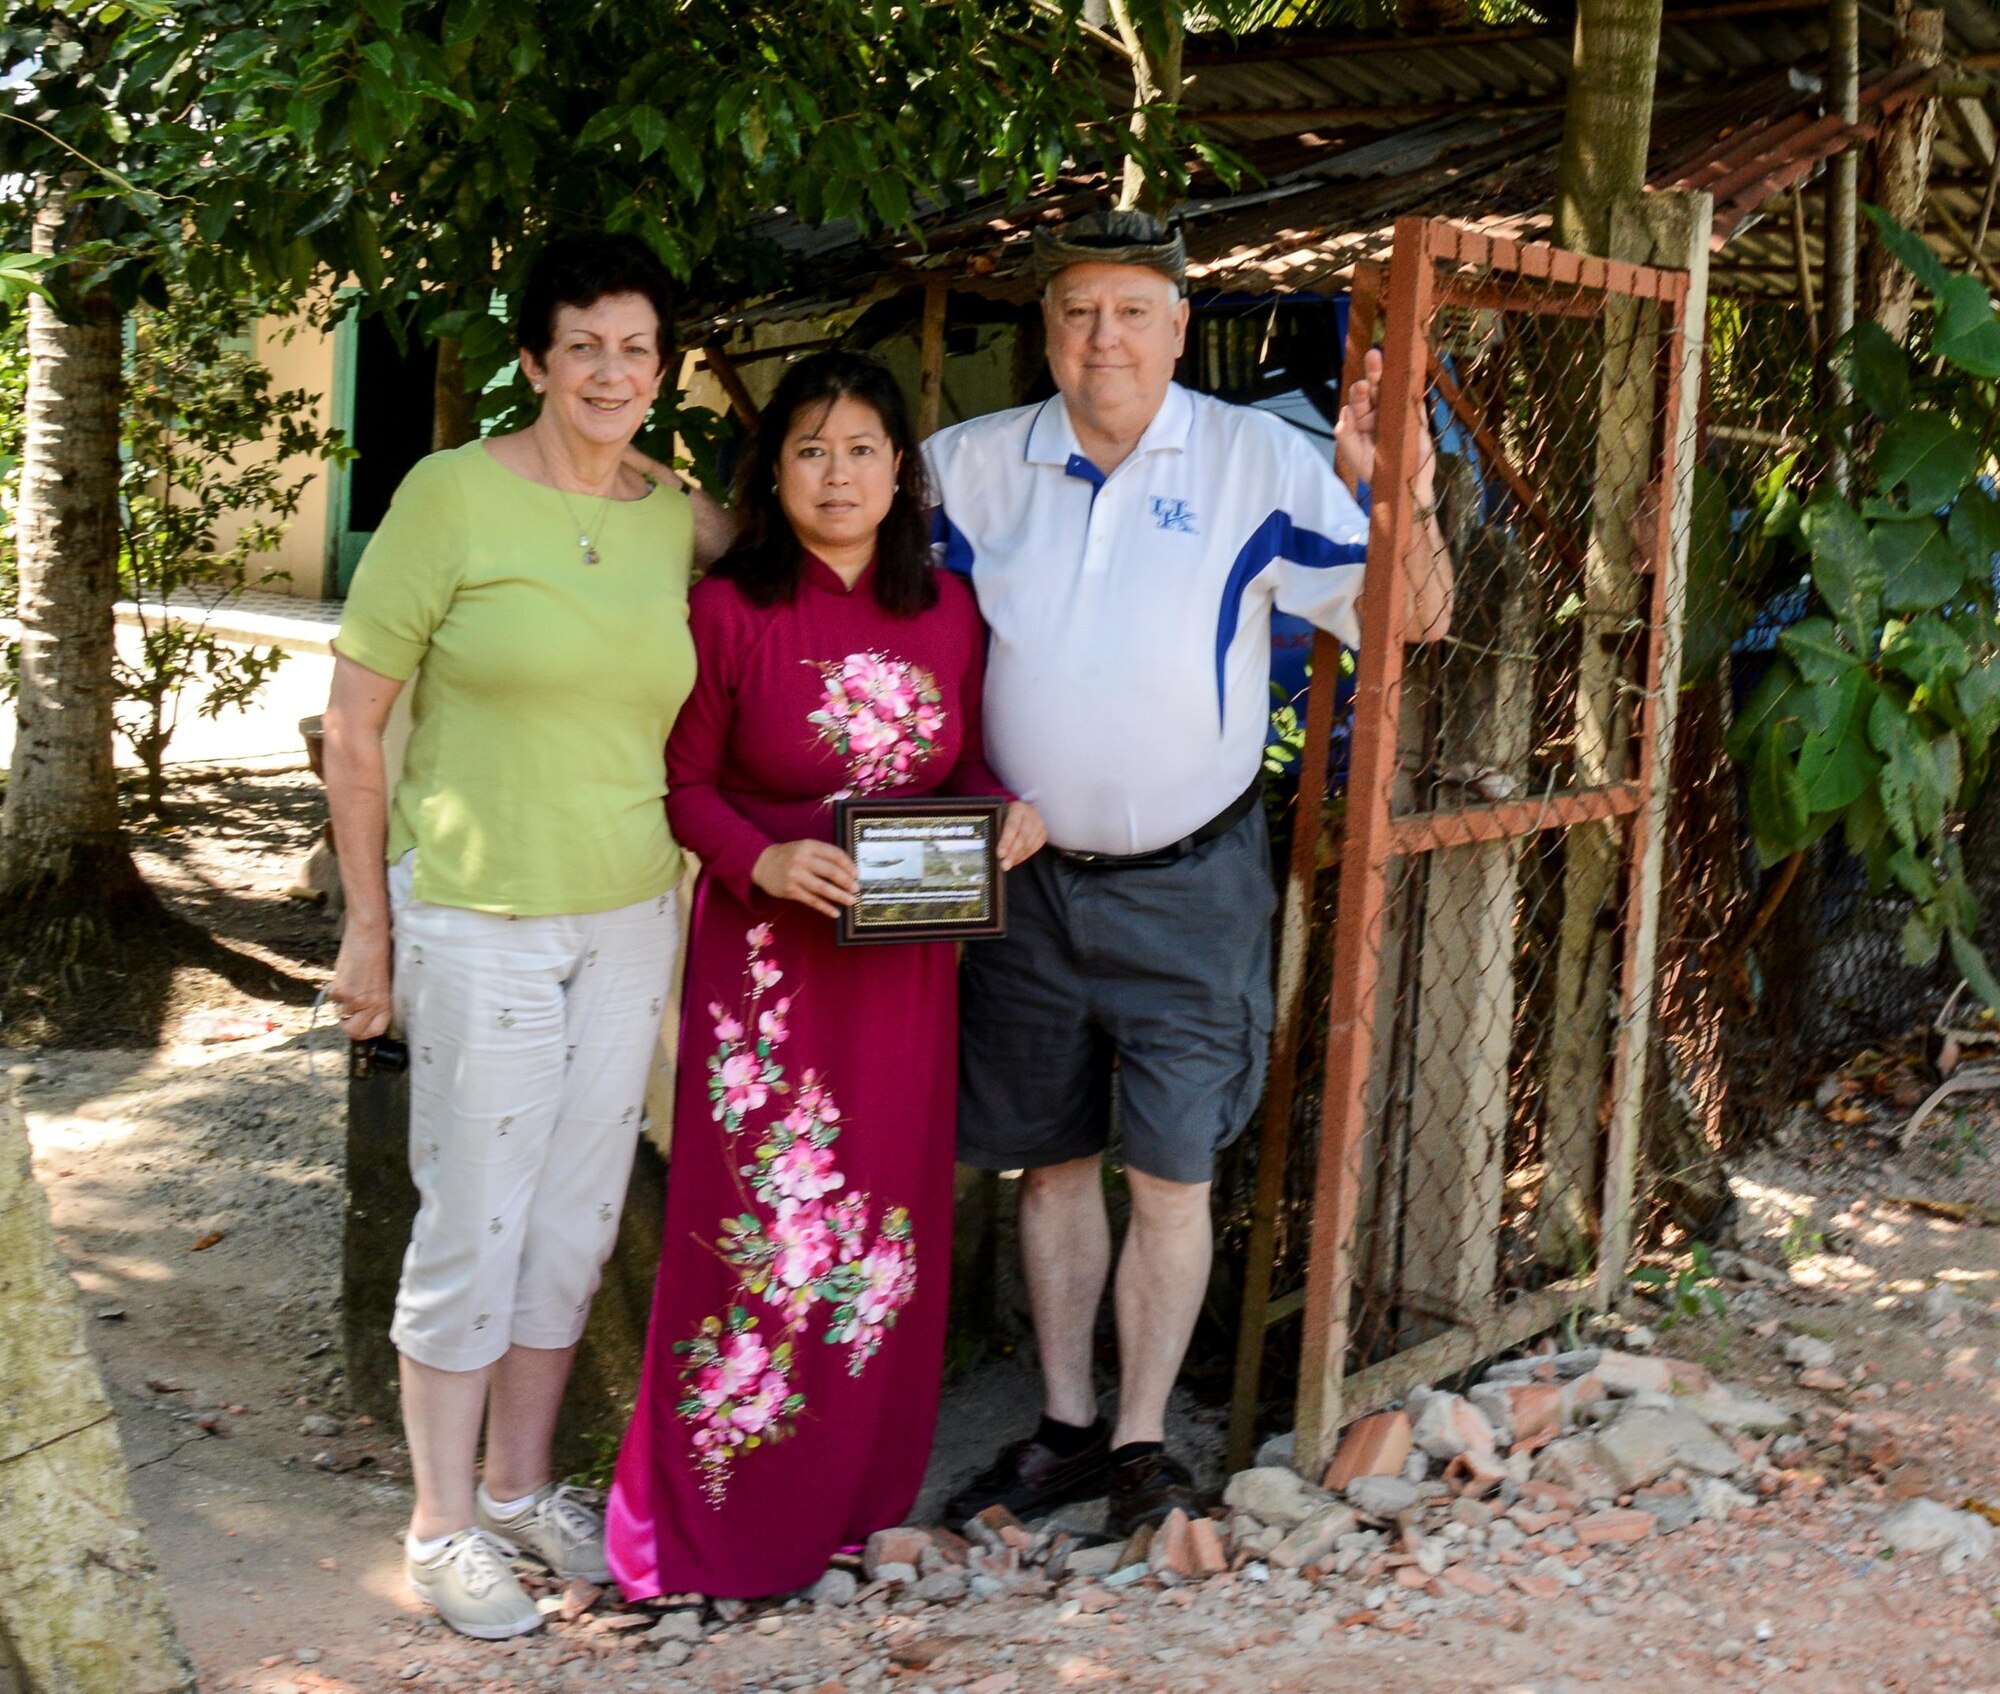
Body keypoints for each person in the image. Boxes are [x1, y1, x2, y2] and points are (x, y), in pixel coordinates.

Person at [925, 208, 1453, 1534]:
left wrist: (1408, 490)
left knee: (1171, 1172)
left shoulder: (1254, 460)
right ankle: (1060, 1426)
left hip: (1192, 881)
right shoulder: (968, 468)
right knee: (1047, 1163)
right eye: (1076, 312)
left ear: (1177, 325)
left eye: (1133, 311)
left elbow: (1419, 616)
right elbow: (819, 565)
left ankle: (1145, 1441)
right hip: (1024, 887)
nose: (1104, 337)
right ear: (1046, 331)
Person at [322, 233, 730, 1639]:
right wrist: (369, 928)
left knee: (567, 1223)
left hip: (629, 911)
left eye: (635, 347)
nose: (612, 371)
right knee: (474, 1218)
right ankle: (439, 1526)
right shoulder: (450, 498)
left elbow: (810, 565)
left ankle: (518, 1486)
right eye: (585, 347)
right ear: (537, 361)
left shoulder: (675, 510)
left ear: (659, 365)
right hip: (477, 912)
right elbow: (354, 721)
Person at [603, 351, 1045, 1602]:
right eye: (810, 449)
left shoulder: (948, 608)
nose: (836, 473)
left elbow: (958, 769)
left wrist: (1003, 812)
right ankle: (714, 1524)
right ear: (773, 470)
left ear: (900, 468)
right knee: (755, 1236)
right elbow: (683, 784)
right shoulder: (727, 610)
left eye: (861, 448)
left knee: (882, 1233)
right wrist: (761, 856)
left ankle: (857, 1502)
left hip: (902, 976)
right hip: (767, 977)